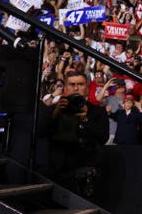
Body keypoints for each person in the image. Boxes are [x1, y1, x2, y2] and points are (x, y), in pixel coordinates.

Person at [43, 70, 109, 198]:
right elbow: (42, 133)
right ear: (65, 88)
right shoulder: (54, 109)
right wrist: (55, 114)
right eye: (72, 84)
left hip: (86, 167)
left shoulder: (97, 112)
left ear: (87, 88)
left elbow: (102, 138)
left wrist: (85, 120)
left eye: (80, 84)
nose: (76, 88)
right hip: (57, 168)